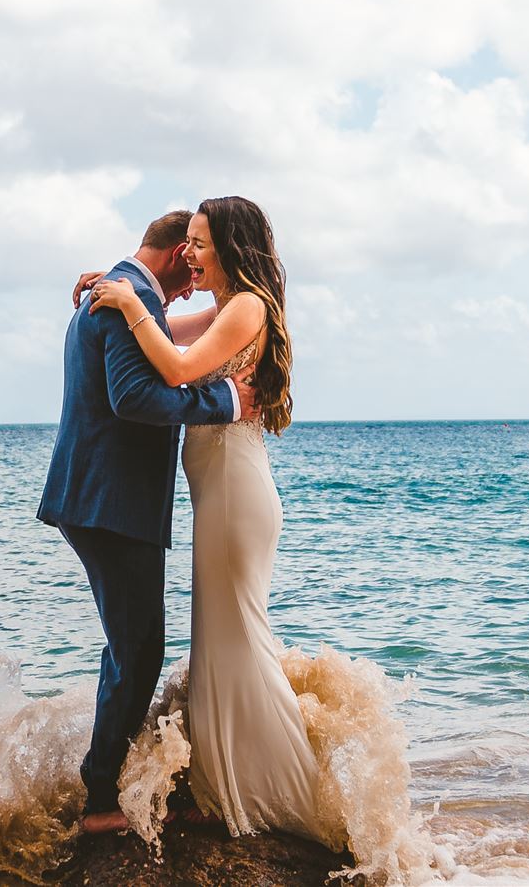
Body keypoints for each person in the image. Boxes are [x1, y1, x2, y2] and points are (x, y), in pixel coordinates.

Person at [82, 196, 318, 841]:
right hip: (219, 497)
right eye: (187, 243)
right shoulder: (227, 308)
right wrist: (116, 292)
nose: (191, 254)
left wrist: (131, 303)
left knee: (238, 637)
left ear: (234, 248)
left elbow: (180, 368)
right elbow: (162, 337)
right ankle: (221, 787)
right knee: (219, 640)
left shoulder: (247, 307)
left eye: (203, 244)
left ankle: (283, 793)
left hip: (236, 498)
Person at [37, 209, 258, 836]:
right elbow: (134, 397)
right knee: (138, 651)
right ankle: (100, 796)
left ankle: (111, 775)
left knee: (132, 647)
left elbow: (184, 330)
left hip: (100, 498)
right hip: (110, 503)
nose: (192, 277)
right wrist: (231, 399)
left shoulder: (127, 292)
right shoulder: (125, 296)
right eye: (187, 265)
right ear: (169, 256)